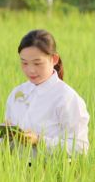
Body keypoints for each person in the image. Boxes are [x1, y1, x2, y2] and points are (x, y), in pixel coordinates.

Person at [5, 29, 89, 157]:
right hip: (14, 172)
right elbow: (7, 146)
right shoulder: (17, 93)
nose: (30, 70)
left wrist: (39, 140)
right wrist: (3, 134)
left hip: (50, 172)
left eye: (37, 63)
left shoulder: (67, 98)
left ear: (54, 59)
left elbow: (80, 148)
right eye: (24, 63)